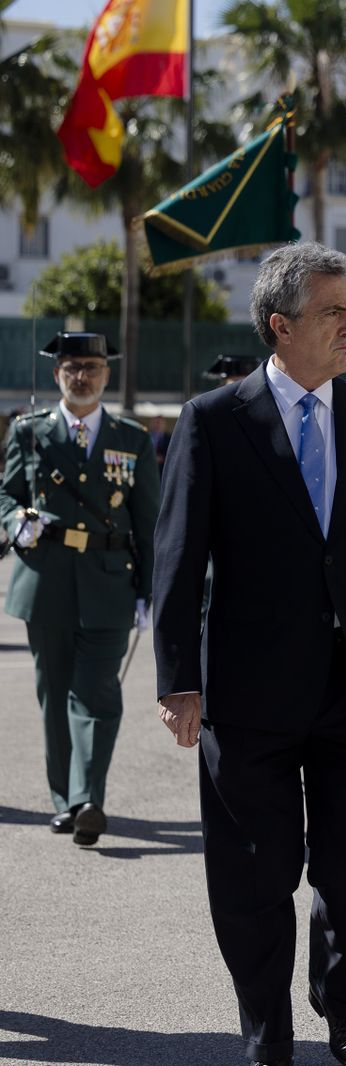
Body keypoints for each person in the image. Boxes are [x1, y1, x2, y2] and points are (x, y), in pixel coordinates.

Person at [151, 242, 346, 1066]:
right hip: (247, 696)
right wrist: (179, 681)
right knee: (253, 875)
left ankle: (338, 999)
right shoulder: (213, 422)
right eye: (332, 313)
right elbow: (179, 558)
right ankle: (266, 1031)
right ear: (281, 327)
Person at [0, 331, 158, 847]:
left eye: (91, 367)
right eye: (72, 368)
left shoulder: (130, 438)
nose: (82, 376)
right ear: (57, 376)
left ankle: (88, 799)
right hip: (45, 580)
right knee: (55, 692)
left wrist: (151, 591)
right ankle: (64, 800)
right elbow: (7, 495)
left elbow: (148, 520)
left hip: (109, 582)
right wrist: (15, 520)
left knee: (96, 693)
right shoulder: (29, 432)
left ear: (106, 374)